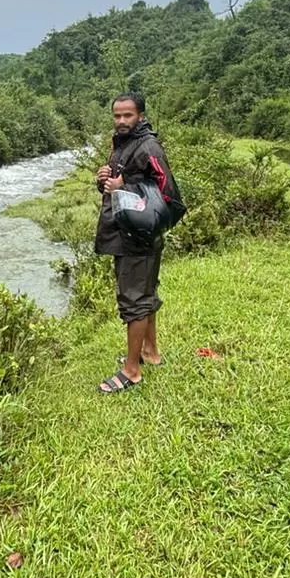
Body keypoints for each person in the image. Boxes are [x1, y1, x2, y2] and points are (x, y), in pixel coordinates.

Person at [94, 92, 179, 394]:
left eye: (127, 115)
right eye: (117, 116)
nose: (121, 121)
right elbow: (114, 185)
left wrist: (123, 186)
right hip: (125, 231)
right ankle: (149, 353)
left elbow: (166, 193)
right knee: (145, 294)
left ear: (140, 116)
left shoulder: (148, 147)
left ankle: (131, 371)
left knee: (134, 301)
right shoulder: (123, 144)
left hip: (137, 237)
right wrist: (104, 178)